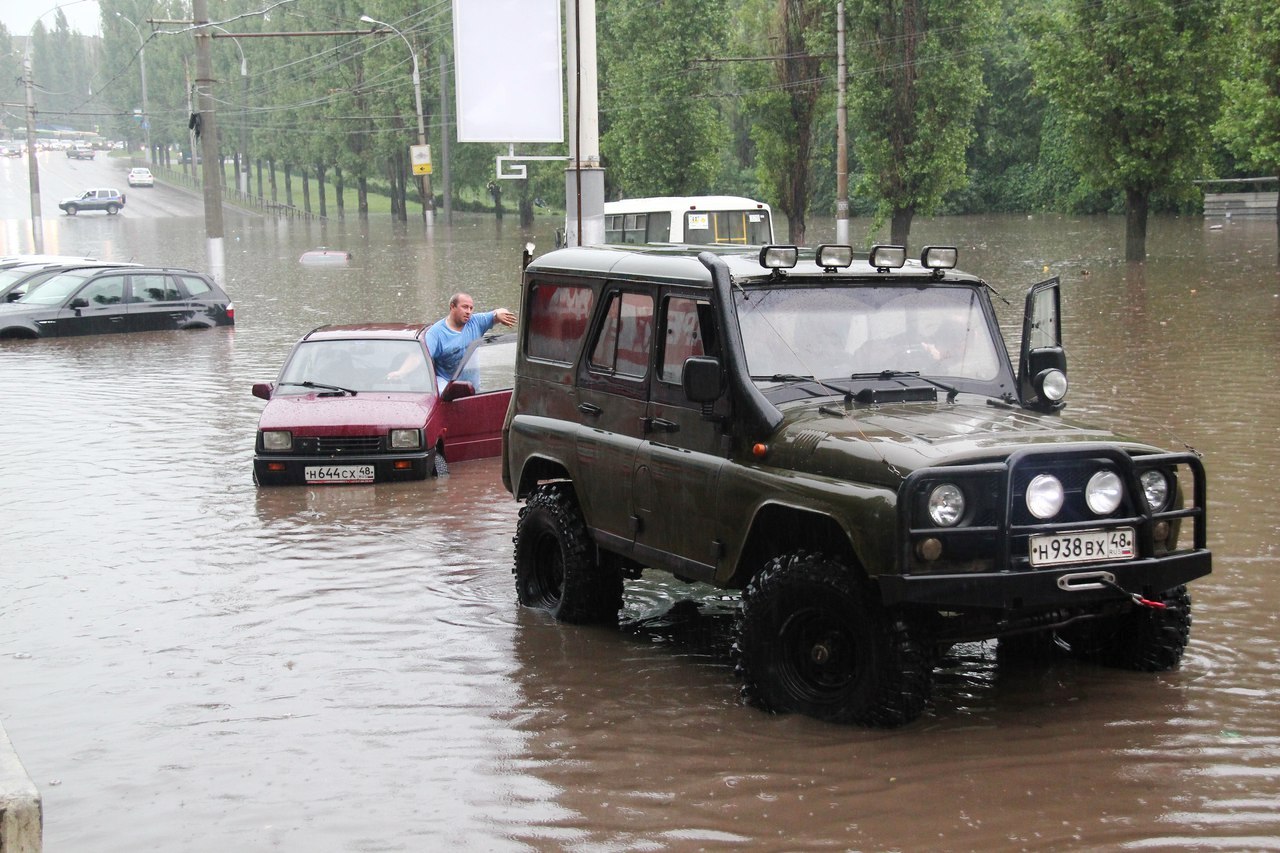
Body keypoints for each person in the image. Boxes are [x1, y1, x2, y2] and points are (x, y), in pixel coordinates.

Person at [391, 292, 515, 391]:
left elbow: (497, 312)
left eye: (471, 308)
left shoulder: (476, 322)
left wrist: (499, 315)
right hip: (447, 384)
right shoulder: (436, 333)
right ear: (452, 307)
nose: (469, 311)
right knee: (440, 395)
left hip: (472, 386)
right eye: (465, 307)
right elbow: (418, 357)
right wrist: (401, 372)